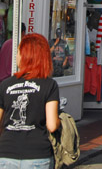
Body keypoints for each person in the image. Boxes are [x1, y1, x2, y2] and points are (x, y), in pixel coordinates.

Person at [0, 33, 60, 168]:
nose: (16, 56)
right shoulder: (49, 85)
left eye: (19, 52)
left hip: (6, 153)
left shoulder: (5, 85)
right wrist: (60, 120)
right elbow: (52, 125)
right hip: (37, 154)